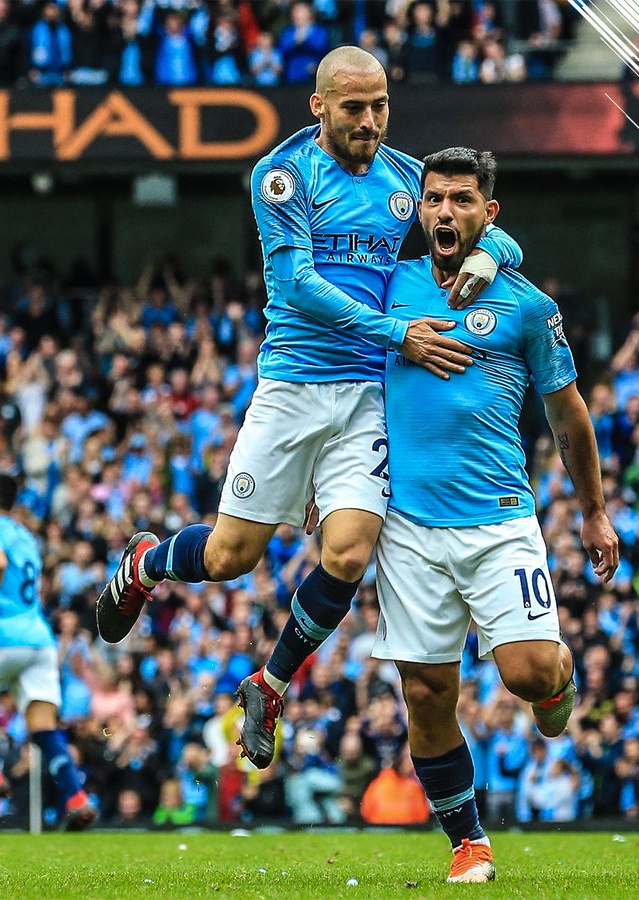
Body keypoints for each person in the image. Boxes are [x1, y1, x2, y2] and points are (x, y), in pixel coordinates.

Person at [97, 46, 522, 770]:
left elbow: (479, 223)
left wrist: (490, 255)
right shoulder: (283, 175)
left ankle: (269, 684)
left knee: (349, 553)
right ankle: (146, 562)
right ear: (319, 106)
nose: (370, 121)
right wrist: (397, 332)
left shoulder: (407, 177)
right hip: (292, 388)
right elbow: (298, 286)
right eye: (354, 107)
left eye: (380, 106)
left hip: (366, 396)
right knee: (231, 558)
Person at [372, 147, 618, 882]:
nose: (445, 211)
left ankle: (559, 678)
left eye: (461, 199)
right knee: (426, 693)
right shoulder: (389, 286)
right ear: (419, 209)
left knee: (530, 674)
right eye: (434, 199)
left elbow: (568, 416)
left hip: (499, 521)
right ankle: (468, 842)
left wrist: (594, 513)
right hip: (407, 526)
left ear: (489, 211)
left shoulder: (529, 307)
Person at [0, 472, 95, 830]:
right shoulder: (25, 536)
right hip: (38, 638)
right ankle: (77, 798)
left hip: (2, 638)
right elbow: (13, 591)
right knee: (43, 727)